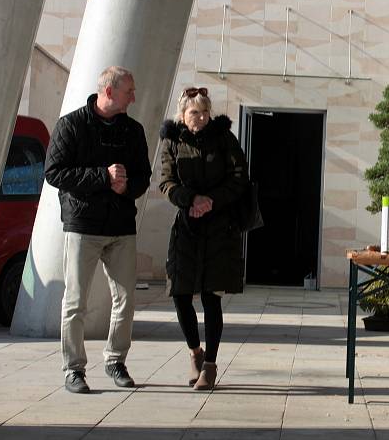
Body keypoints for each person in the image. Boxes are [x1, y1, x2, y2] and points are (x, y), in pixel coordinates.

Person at [45, 66, 151, 394]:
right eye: (128, 91)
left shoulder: (133, 130)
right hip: (83, 225)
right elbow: (54, 173)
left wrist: (126, 187)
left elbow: (142, 177)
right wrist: (102, 177)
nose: (133, 97)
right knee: (75, 301)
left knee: (127, 299)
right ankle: (73, 369)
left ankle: (115, 360)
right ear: (109, 92)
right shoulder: (71, 125)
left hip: (121, 226)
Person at [159, 87, 249, 390]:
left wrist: (210, 200)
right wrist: (191, 199)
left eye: (204, 111)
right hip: (186, 226)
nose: (200, 117)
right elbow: (165, 181)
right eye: (194, 112)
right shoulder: (171, 140)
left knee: (212, 297)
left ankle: (210, 365)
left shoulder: (224, 138)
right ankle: (195, 352)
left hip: (219, 227)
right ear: (183, 115)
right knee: (181, 294)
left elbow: (239, 177)